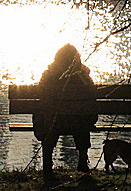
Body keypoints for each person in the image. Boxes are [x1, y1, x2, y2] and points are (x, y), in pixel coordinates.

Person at [33, 44, 98, 174]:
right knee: (82, 120)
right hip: (79, 123)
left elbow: (40, 96)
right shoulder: (83, 76)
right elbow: (92, 96)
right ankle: (82, 160)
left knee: (47, 119)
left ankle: (47, 163)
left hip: (53, 123)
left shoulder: (48, 75)